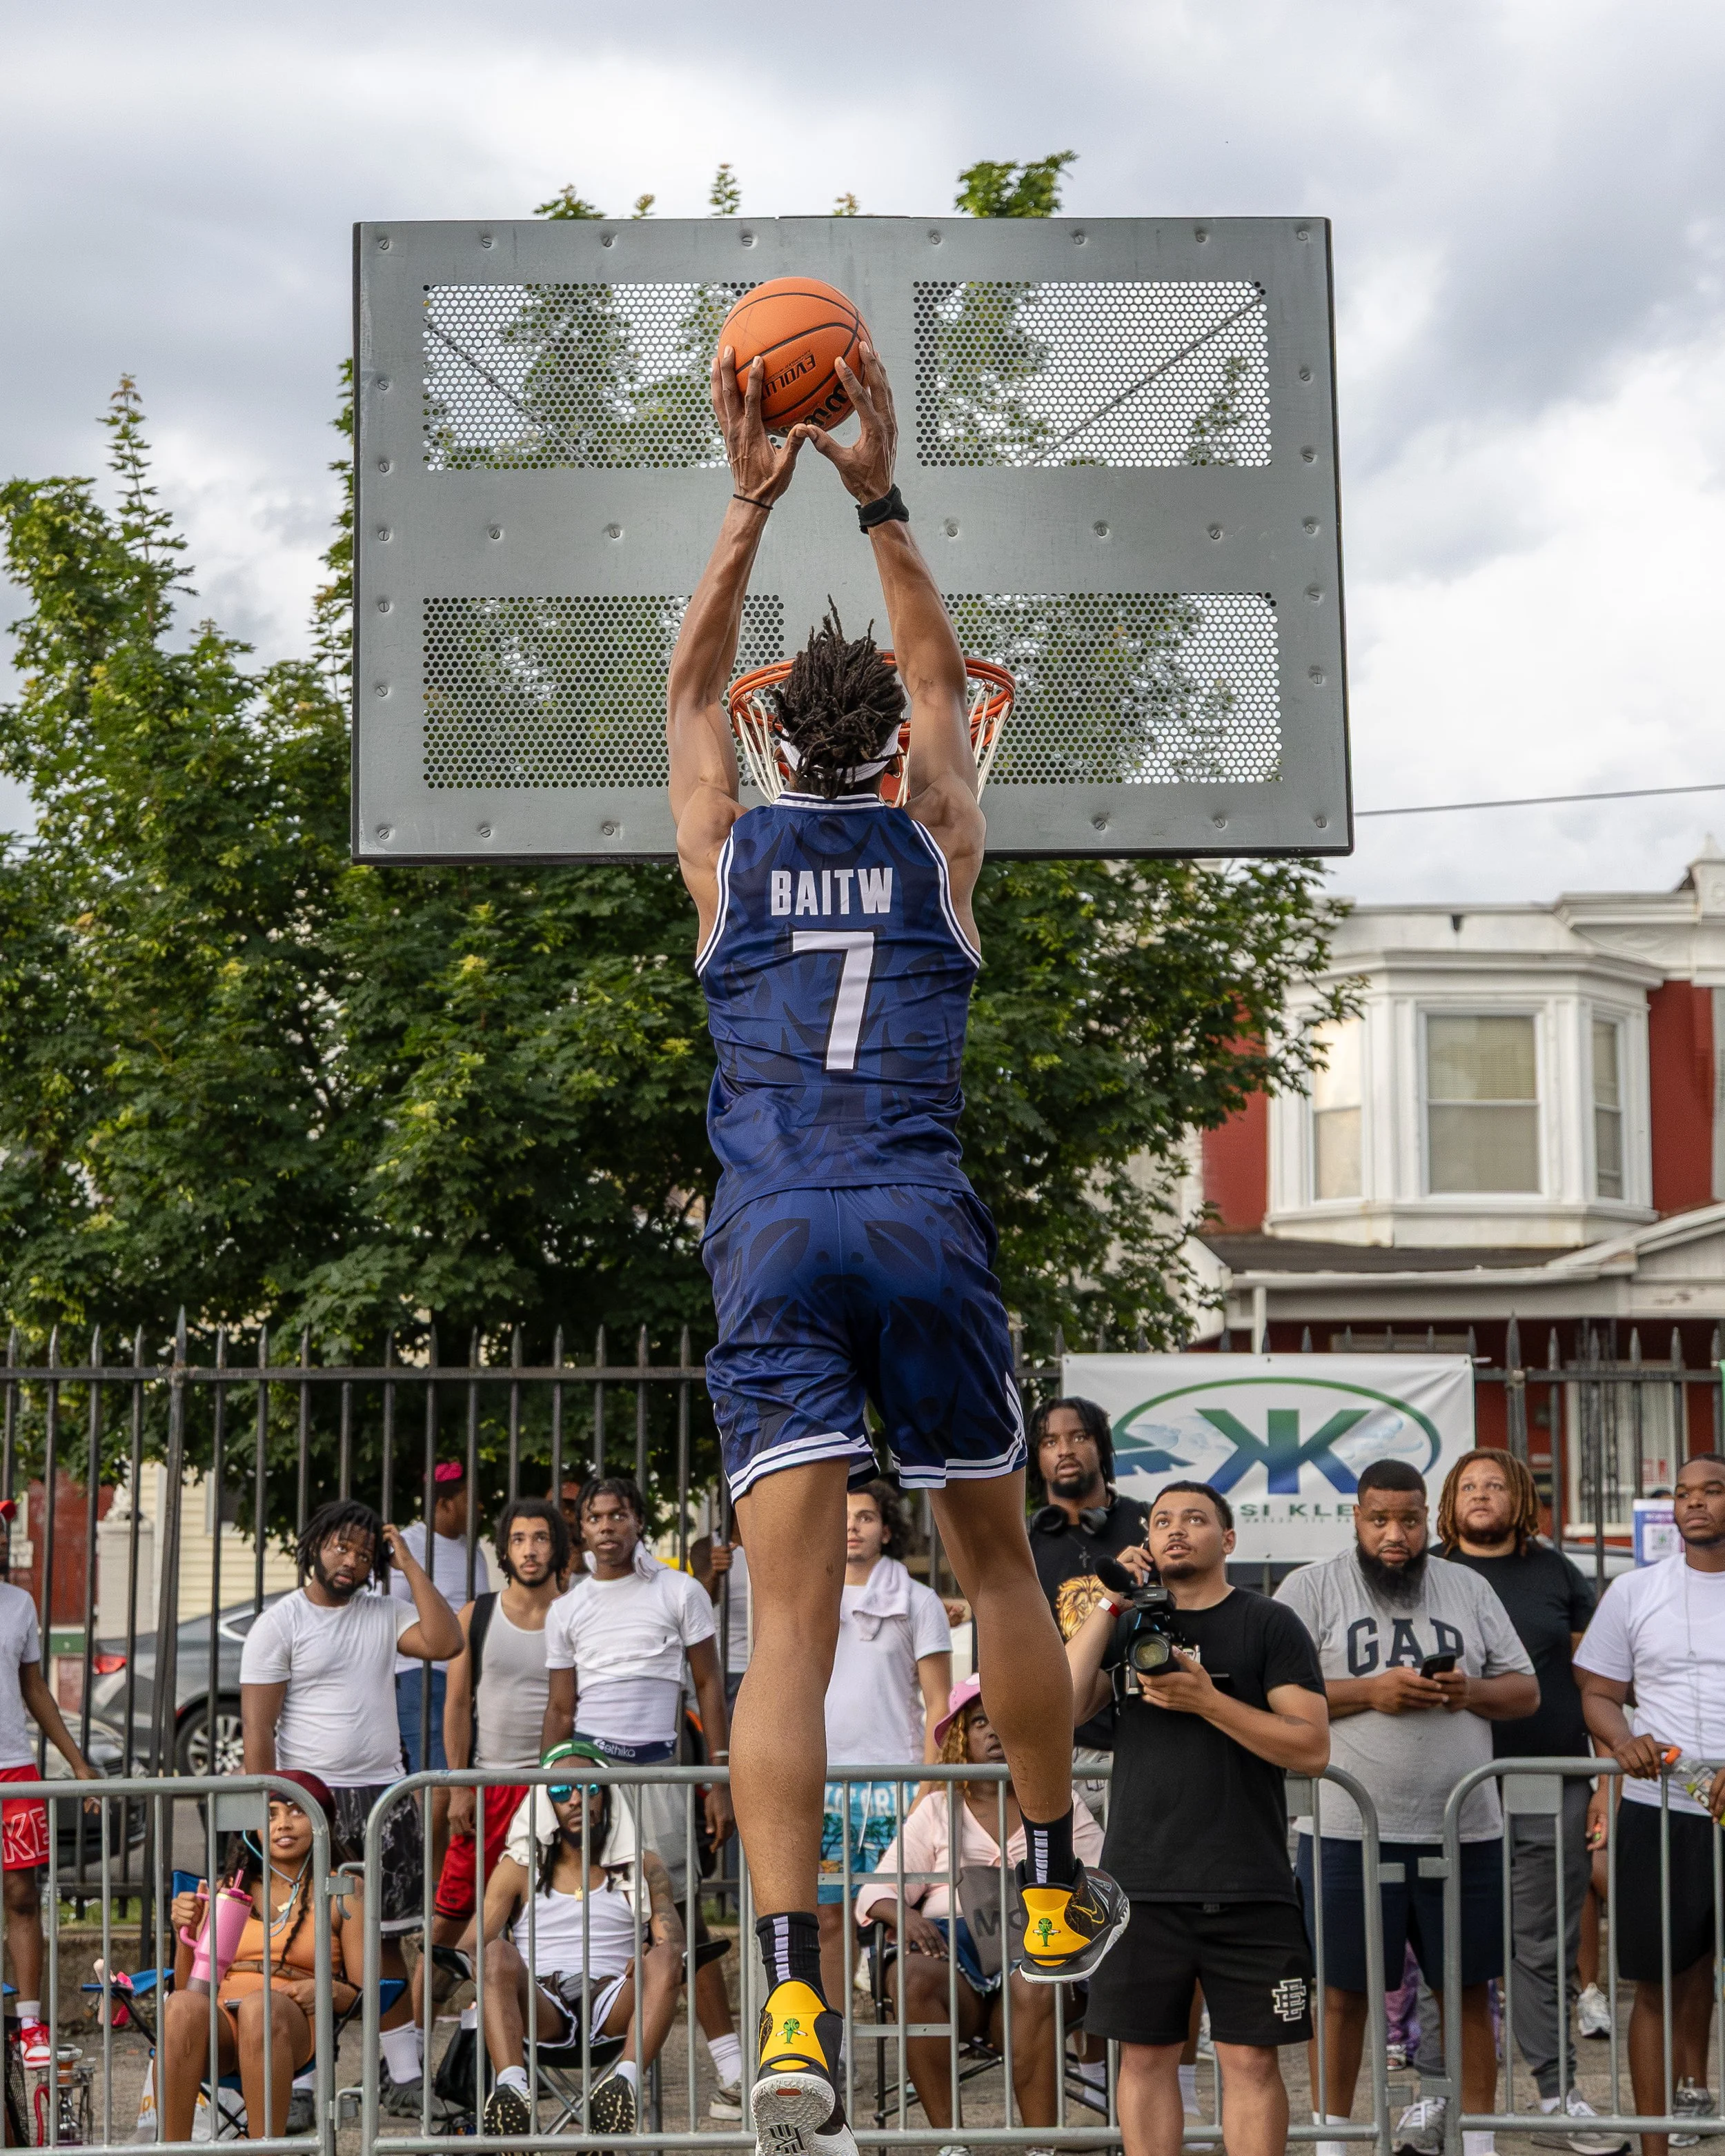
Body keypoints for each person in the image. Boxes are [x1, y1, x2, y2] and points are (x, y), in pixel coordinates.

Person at [666, 330, 1123, 2156]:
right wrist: (872, 486)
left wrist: (745, 500)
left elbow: (686, 688)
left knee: (783, 1632)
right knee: (995, 1568)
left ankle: (787, 1993)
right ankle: (1038, 1873)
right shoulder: (941, 845)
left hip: (772, 1222)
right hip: (921, 1212)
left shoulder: (730, 855)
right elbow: (934, 672)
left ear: (783, 737)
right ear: (914, 747)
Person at [1276, 1458, 1539, 2156]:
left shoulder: (1467, 1585)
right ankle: (1335, 2144)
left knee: (1468, 1990)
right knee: (1341, 1993)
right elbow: (1273, 1695)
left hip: (1464, 1827)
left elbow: (1524, 1691)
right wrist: (1370, 1691)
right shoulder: (1310, 1586)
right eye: (1379, 1518)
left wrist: (1465, 1693)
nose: (1395, 1534)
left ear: (1429, 1515)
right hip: (1345, 1826)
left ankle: (1477, 2141)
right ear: (1355, 1517)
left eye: (1410, 1518)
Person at [1064, 1480, 1329, 2156]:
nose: (1176, 1529)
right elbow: (1058, 1711)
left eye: (1195, 1518)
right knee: (1146, 2060)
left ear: (1228, 1538)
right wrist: (1109, 1601)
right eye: (1161, 1521)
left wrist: (1207, 1700)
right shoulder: (1125, 1626)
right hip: (1142, 1884)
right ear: (1147, 1541)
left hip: (1251, 1881)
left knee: (1249, 2063)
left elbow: (1311, 1745)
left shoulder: (1269, 1623)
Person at [239, 1498, 462, 2116]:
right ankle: (303, 2081)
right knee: (307, 1941)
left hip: (384, 1795)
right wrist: (270, 1811)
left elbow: (447, 1639)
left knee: (388, 1938)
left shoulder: (384, 1611)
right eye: (341, 1545)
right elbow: (257, 1731)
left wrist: (409, 1562)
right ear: (315, 1545)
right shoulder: (279, 1623)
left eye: (365, 1553)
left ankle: (404, 2074)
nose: (351, 1559)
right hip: (308, 1799)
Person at [1437, 1447, 1624, 2156]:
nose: (1480, 1494)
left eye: (1493, 1484)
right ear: (1449, 1503)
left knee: (1541, 1945)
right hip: (1448, 1786)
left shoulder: (1558, 1574)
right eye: (1467, 1485)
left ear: (1521, 1497)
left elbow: (1597, 1683)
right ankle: (1437, 2097)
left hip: (1550, 1780)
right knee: (1443, 1945)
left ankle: (1556, 2094)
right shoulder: (1425, 1570)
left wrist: (1603, 1779)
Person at [540, 1475, 743, 2117]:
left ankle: (735, 2070)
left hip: (660, 1772)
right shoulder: (567, 1607)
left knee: (677, 1919)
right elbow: (561, 1705)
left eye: (619, 1514)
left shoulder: (679, 1590)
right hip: (591, 1778)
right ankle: (594, 2056)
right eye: (596, 1516)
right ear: (583, 1528)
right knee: (586, 1909)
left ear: (637, 1522)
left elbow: (709, 1684)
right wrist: (546, 1789)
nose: (607, 1526)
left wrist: (718, 1777)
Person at [856, 1676, 1105, 2144]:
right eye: (980, 1722)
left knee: (1037, 1979)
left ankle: (1041, 2145)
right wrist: (904, 1914)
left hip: (1038, 1943)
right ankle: (950, 2142)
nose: (993, 1732)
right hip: (951, 1949)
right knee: (910, 1975)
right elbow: (875, 1890)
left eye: (1005, 1722)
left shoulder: (1060, 1805)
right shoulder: (937, 1809)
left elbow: (1100, 1883)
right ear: (961, 1738)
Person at [1577, 1452, 1725, 2156]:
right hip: (1659, 1805)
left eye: (1713, 1490)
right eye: (1682, 1492)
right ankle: (1654, 2145)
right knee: (1655, 1981)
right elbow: (1599, 1689)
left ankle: (1697, 2090)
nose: (1694, 1503)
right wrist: (1623, 1738)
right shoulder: (1634, 1589)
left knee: (1697, 1973)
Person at [466, 1741, 684, 2140]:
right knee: (494, 1951)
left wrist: (651, 1952)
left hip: (616, 1999)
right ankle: (513, 2088)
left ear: (607, 1795)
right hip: (541, 2002)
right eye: (560, 1791)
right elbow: (469, 1945)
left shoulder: (643, 1864)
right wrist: (487, 1972)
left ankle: (622, 2089)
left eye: (588, 1787)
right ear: (545, 1803)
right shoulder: (517, 1869)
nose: (576, 1800)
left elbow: (674, 1944)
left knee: (668, 1958)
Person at [417, 1498, 569, 2014]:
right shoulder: (476, 1614)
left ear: (558, 1545)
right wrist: (460, 1786)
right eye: (520, 1538)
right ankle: (404, 2059)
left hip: (553, 1791)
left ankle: (521, 2047)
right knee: (448, 1923)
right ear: (505, 1549)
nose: (530, 1549)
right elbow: (457, 1705)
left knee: (545, 1922)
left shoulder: (575, 1615)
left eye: (541, 1537)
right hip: (487, 1788)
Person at [159, 1773, 361, 2143]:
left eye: (297, 1811)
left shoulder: (343, 1888)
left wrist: (325, 1989)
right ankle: (173, 2150)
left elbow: (368, 1995)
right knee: (183, 2008)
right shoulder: (227, 1891)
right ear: (253, 1830)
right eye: (270, 1814)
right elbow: (190, 1988)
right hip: (221, 2023)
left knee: (259, 2008)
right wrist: (183, 1932)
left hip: (291, 2020)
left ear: (323, 1823)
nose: (282, 1823)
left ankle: (263, 2149)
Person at [818, 1482, 951, 2002]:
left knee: (895, 1917)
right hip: (824, 1787)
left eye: (866, 1517)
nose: (852, 1526)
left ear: (887, 1529)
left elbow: (940, 1704)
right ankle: (834, 2048)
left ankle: (904, 2059)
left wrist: (925, 1788)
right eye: (842, 1516)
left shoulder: (920, 1600)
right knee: (828, 1919)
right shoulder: (805, 1598)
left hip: (899, 1785)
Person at [0, 1567, 103, 2066]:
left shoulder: (20, 1603)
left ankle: (30, 2023)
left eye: (3, 1533)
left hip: (15, 1770)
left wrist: (79, 1763)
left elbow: (34, 1687)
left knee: (22, 1895)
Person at [393, 1461, 490, 1776]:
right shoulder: (409, 1545)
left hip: (465, 1678)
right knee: (436, 1776)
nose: (480, 1506)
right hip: (422, 1676)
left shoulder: (473, 1550)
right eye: (470, 1498)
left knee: (461, 1771)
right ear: (444, 1503)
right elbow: (392, 1614)